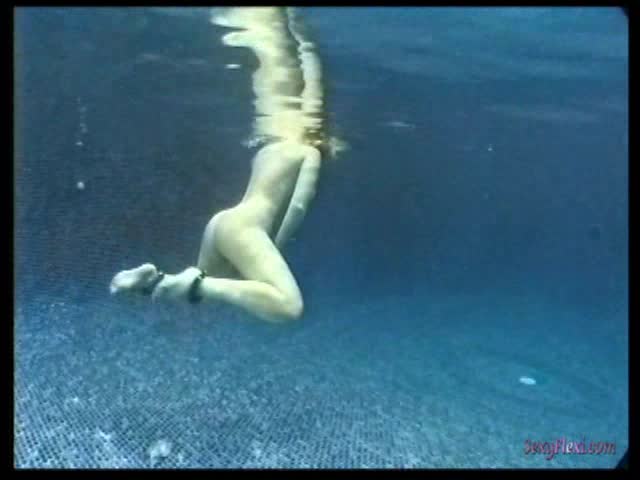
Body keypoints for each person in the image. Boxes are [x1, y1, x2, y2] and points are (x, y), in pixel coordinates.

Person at [110, 7, 342, 322]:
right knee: (288, 307)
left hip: (223, 223)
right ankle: (191, 282)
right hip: (245, 228)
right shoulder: (309, 153)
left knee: (197, 294)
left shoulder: (269, 148)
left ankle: (151, 281)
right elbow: (298, 207)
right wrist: (276, 247)